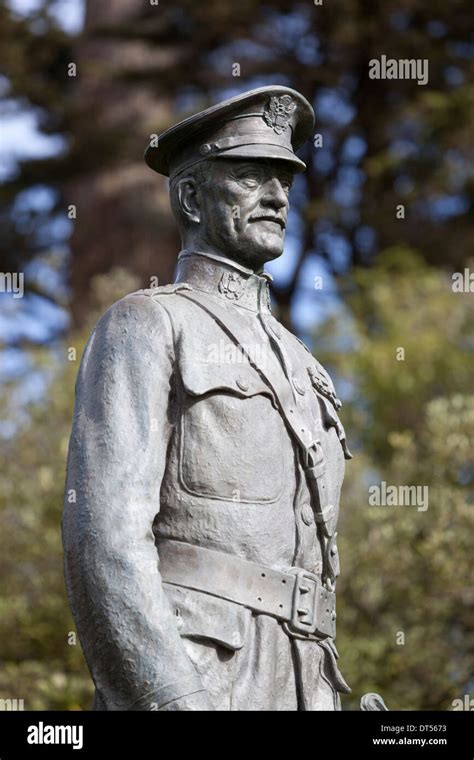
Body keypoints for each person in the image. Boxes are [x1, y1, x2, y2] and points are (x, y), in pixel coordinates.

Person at [62, 85, 352, 711]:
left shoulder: (305, 365)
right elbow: (105, 534)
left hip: (307, 684)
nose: (277, 196)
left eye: (285, 182)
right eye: (251, 178)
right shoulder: (147, 324)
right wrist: (172, 696)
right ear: (191, 196)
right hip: (201, 673)